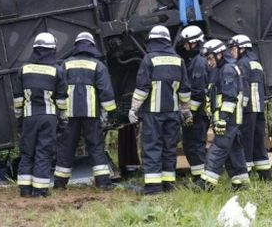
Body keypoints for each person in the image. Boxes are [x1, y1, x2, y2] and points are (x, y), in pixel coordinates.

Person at [128, 25, 191, 195]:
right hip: (172, 113)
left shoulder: (149, 59)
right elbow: (185, 91)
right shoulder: (179, 60)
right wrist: (186, 111)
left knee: (152, 147)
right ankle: (168, 184)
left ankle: (153, 187)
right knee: (169, 148)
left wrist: (134, 108)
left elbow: (142, 88)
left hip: (153, 114)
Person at [53, 32, 117, 190]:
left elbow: (58, 89)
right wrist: (110, 112)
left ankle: (60, 184)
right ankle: (103, 183)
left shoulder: (66, 64)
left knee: (66, 147)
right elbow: (106, 92)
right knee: (95, 146)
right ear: (91, 46)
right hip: (91, 114)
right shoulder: (98, 65)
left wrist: (59, 112)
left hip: (69, 115)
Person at [13, 32, 68, 197]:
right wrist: (63, 119)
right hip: (48, 117)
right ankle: (40, 190)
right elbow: (61, 100)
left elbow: (17, 99)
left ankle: (24, 189)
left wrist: (19, 118)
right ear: (52, 50)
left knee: (27, 151)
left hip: (29, 117)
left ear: (35, 49)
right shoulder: (56, 70)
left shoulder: (24, 70)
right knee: (43, 152)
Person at [197, 39, 249, 191]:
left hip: (227, 120)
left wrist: (222, 119)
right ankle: (241, 183)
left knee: (218, 149)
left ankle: (206, 184)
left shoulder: (227, 70)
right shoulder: (222, 69)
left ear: (219, 55)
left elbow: (229, 98)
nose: (208, 62)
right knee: (234, 151)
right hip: (228, 119)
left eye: (210, 58)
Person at [228, 34, 272, 181]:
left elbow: (242, 87)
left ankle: (244, 175)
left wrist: (238, 108)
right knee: (258, 142)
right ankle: (265, 175)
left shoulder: (242, 64)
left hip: (247, 110)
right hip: (259, 109)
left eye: (233, 48)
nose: (231, 52)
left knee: (245, 142)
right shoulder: (256, 63)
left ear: (242, 48)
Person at [178, 25, 211, 182]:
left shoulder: (199, 61)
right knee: (193, 144)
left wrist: (188, 113)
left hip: (198, 113)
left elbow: (198, 92)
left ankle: (201, 180)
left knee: (194, 145)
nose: (185, 46)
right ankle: (199, 177)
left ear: (195, 42)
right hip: (200, 112)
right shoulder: (199, 59)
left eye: (187, 43)